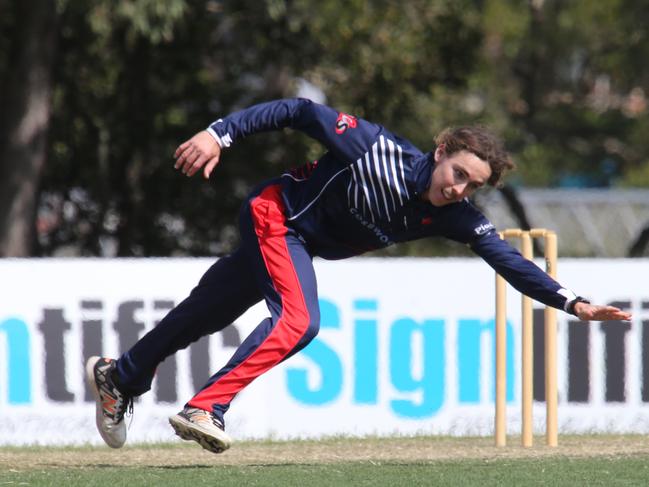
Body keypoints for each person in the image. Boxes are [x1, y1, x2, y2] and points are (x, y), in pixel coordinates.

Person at [86, 98, 632, 454]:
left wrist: (573, 303)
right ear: (440, 152)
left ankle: (122, 374)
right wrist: (218, 134)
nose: (459, 189)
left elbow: (509, 261)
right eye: (457, 173)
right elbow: (298, 110)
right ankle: (207, 405)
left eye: (473, 185)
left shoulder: (454, 215)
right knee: (299, 322)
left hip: (299, 244)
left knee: (200, 316)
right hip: (277, 216)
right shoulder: (372, 146)